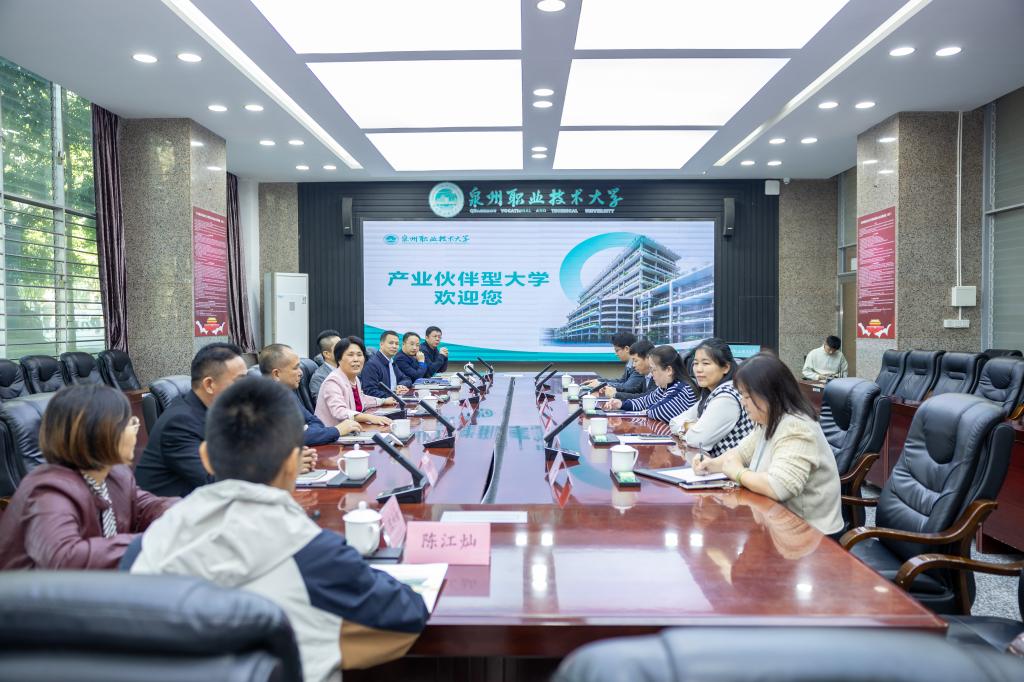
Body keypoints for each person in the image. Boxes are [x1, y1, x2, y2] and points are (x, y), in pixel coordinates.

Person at [122, 378, 429, 679]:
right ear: (294, 463)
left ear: (206, 457)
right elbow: (406, 613)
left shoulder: (143, 549)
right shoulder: (315, 555)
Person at [0, 385, 176, 570]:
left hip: (93, 582)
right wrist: (145, 542)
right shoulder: (48, 491)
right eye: (128, 422)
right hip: (32, 588)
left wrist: (186, 514)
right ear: (99, 433)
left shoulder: (116, 474)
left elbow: (148, 507)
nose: (135, 429)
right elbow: (64, 558)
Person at [694, 353, 844, 536]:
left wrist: (738, 473)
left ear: (769, 395)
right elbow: (740, 453)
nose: (743, 402)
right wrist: (710, 464)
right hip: (778, 524)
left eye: (747, 396)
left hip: (809, 535)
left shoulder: (796, 426)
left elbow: (779, 487)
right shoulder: (769, 419)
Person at [136, 342, 248, 497]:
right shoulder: (179, 423)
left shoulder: (219, 412)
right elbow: (215, 483)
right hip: (171, 509)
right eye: (240, 382)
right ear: (209, 384)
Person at [259, 343, 361, 450]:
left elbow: (314, 421)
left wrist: (307, 431)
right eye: (295, 368)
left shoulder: (287, 393)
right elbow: (294, 438)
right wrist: (337, 430)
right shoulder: (266, 401)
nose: (301, 372)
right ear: (276, 374)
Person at [669, 338, 755, 457]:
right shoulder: (711, 392)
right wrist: (690, 426)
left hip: (728, 467)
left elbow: (697, 440)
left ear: (725, 367)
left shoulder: (726, 397)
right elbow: (673, 422)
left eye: (706, 363)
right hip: (714, 464)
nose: (698, 369)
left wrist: (688, 427)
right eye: (695, 363)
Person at [315, 336, 397, 428]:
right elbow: (339, 411)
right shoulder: (333, 381)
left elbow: (362, 399)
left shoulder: (354, 378)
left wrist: (383, 401)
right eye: (350, 355)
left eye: (359, 355)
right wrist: (370, 417)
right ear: (339, 359)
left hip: (351, 430)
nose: (356, 359)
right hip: (332, 432)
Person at [603, 345, 696, 422]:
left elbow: (658, 411)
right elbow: (645, 401)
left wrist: (645, 410)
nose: (651, 373)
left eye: (653, 369)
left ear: (668, 370)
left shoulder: (681, 389)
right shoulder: (664, 387)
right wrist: (621, 404)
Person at [360, 330, 411, 398]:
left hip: (394, 400)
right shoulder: (372, 364)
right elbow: (370, 392)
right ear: (381, 344)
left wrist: (401, 385)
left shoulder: (391, 362)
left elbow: (406, 379)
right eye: (391, 343)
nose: (394, 346)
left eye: (397, 344)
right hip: (382, 403)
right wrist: (394, 394)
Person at [309, 328, 341, 401]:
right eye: (339, 348)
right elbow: (324, 404)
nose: (344, 350)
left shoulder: (345, 371)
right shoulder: (319, 378)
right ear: (327, 354)